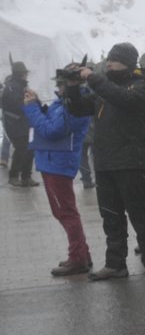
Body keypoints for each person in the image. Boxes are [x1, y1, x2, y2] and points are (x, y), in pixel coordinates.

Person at [67, 44, 145, 279]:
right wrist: (71, 88)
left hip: (131, 162)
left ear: (128, 63)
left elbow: (122, 98)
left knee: (139, 213)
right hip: (105, 163)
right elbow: (79, 109)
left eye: (114, 60)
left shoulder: (140, 87)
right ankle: (115, 263)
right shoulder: (104, 89)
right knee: (111, 217)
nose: (109, 63)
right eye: (108, 59)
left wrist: (94, 78)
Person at [23, 67, 94, 275]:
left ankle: (78, 258)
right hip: (52, 161)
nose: (58, 87)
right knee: (62, 211)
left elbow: (52, 130)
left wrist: (31, 110)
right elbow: (51, 121)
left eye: (61, 83)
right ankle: (82, 253)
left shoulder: (75, 105)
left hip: (58, 163)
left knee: (66, 211)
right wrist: (36, 105)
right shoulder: (65, 102)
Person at [3, 61, 37, 187]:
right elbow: (17, 106)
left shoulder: (21, 86)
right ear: (21, 74)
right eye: (25, 73)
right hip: (15, 123)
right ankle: (13, 176)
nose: (26, 75)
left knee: (30, 149)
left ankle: (26, 177)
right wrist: (30, 101)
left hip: (24, 123)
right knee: (22, 148)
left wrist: (34, 100)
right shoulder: (12, 87)